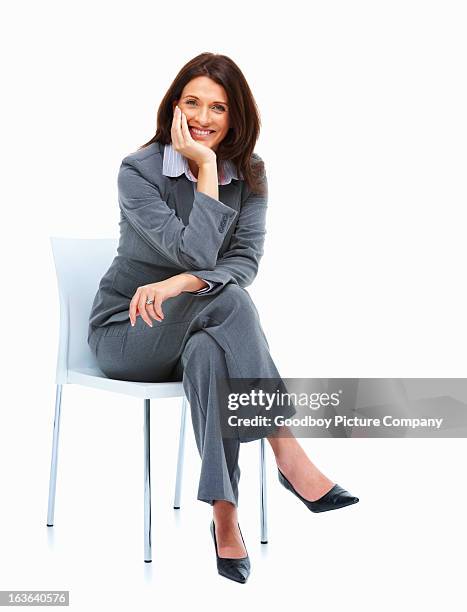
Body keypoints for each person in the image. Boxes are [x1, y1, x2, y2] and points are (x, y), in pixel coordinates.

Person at [87, 52, 359, 584]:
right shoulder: (137, 172)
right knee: (229, 300)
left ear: (236, 117)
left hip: (193, 330)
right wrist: (207, 169)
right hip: (129, 333)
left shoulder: (251, 172)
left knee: (213, 349)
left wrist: (182, 284)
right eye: (192, 102)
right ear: (173, 106)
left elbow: (244, 261)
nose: (203, 118)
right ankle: (285, 446)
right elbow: (197, 253)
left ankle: (223, 513)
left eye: (218, 107)